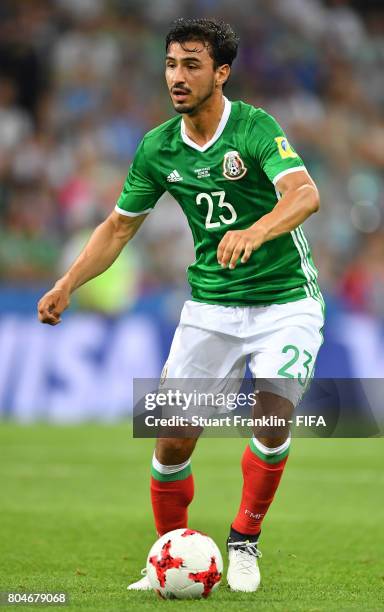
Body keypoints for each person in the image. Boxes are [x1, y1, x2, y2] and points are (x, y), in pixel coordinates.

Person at [38, 18, 324, 593]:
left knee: (272, 415)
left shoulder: (255, 128)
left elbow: (305, 193)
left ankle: (244, 539)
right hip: (211, 308)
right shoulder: (157, 147)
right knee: (171, 438)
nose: (177, 76)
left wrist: (259, 229)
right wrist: (69, 282)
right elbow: (119, 227)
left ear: (221, 72)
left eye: (192, 64)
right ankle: (165, 556)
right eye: (171, 64)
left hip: (285, 302)